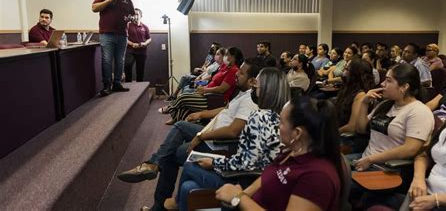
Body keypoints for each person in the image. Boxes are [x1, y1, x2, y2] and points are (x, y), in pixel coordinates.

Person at [118, 57, 266, 211]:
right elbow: (226, 110)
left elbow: (233, 131)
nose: (237, 74)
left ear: (252, 81)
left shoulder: (250, 100)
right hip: (210, 132)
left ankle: (156, 183)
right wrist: (201, 114)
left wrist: (201, 136)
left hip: (216, 143)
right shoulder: (244, 93)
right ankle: (153, 166)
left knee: (171, 155)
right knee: (180, 126)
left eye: (241, 73)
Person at [169, 67, 291, 210]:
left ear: (265, 89)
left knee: (190, 165)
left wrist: (214, 162)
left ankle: (175, 203)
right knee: (187, 187)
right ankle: (178, 203)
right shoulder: (284, 117)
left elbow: (246, 163)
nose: (253, 86)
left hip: (247, 181)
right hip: (265, 181)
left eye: (256, 83)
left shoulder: (260, 116)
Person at [215, 97, 343, 211]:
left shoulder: (317, 177)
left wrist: (239, 198)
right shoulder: (291, 152)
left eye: (281, 122)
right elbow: (267, 177)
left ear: (297, 133)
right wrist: (243, 193)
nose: (277, 126)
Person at [352, 63, 435, 172]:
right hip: (366, 159)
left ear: (404, 87)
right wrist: (364, 103)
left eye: (388, 80)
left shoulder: (419, 111)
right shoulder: (386, 104)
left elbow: (410, 149)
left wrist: (371, 159)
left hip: (386, 168)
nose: (382, 84)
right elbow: (361, 129)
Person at [159, 47, 243, 125]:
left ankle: (170, 108)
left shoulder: (233, 70)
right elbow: (213, 79)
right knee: (185, 100)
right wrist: (204, 88)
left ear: (233, 57)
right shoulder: (226, 68)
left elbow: (222, 89)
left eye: (226, 54)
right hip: (207, 94)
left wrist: (205, 90)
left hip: (215, 100)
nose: (225, 57)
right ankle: (178, 121)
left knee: (183, 98)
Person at [92, 0, 135, 96]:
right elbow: (94, 8)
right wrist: (109, 0)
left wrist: (131, 18)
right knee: (107, 60)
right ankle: (107, 85)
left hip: (122, 35)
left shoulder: (127, 0)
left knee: (120, 61)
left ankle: (117, 83)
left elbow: (132, 15)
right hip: (106, 34)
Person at [337, 58, 375, 134]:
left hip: (348, 138)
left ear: (354, 74)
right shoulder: (348, 88)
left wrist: (331, 134)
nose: (343, 71)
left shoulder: (361, 95)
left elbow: (352, 127)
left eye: (347, 69)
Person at [124, 8, 151, 82]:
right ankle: (128, 83)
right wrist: (132, 44)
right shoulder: (128, 25)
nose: (135, 16)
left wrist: (145, 43)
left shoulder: (145, 27)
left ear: (141, 16)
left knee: (140, 71)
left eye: (137, 14)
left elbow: (149, 39)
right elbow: (124, 38)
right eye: (133, 14)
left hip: (142, 52)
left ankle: (140, 87)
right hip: (130, 51)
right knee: (127, 65)